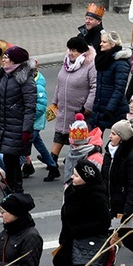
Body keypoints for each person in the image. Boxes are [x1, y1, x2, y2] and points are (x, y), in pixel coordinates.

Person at [52, 157, 111, 266]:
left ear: (86, 178)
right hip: (71, 243)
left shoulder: (95, 195)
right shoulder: (73, 190)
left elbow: (103, 223)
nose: (73, 177)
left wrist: (77, 230)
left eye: (77, 175)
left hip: (89, 246)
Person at [0, 46, 36, 193]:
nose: (3, 60)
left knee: (13, 161)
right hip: (6, 127)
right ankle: (12, 190)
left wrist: (27, 130)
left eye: (6, 58)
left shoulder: (25, 80)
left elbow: (30, 107)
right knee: (10, 161)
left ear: (14, 61)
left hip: (18, 128)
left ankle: (15, 191)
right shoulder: (5, 75)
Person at [48, 36, 96, 174]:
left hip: (79, 112)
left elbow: (94, 87)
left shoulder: (90, 66)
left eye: (74, 50)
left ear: (82, 52)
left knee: (75, 140)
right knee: (59, 135)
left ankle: (77, 167)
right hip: (63, 109)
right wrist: (55, 101)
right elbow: (60, 83)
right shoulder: (66, 64)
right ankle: (52, 164)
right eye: (69, 49)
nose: (70, 53)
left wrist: (88, 107)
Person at [89, 30, 131, 132]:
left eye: (104, 42)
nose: (100, 44)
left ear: (112, 44)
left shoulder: (121, 63)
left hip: (115, 109)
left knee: (117, 140)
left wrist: (110, 109)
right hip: (100, 106)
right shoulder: (103, 59)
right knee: (93, 141)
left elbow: (119, 89)